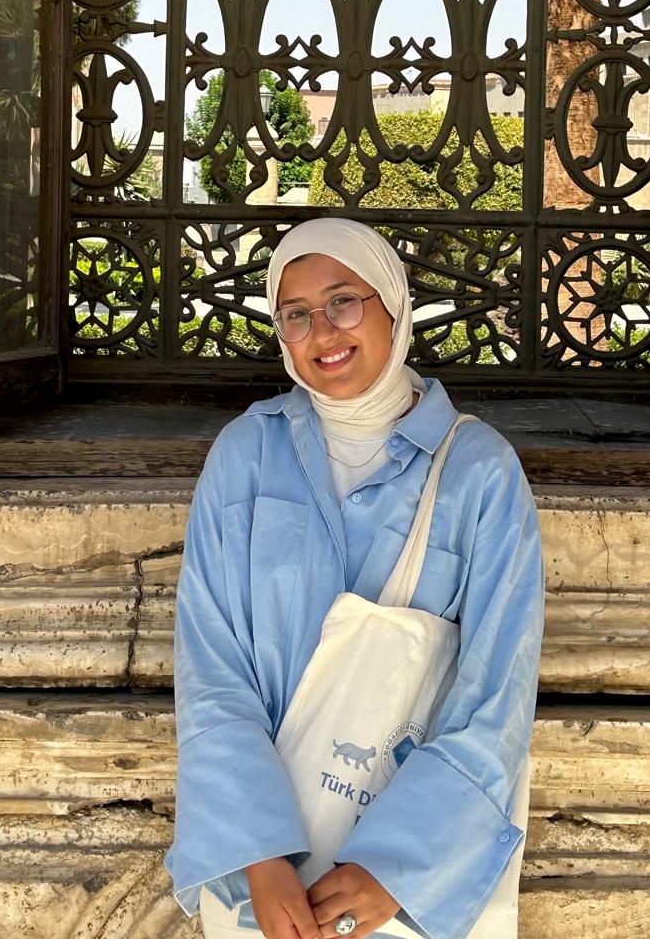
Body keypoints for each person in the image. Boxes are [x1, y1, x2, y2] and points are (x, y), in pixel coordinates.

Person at [164, 219, 545, 939]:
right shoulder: (247, 454)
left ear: (393, 306)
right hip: (266, 882)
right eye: (296, 314)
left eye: (345, 301)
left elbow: (497, 691)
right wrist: (259, 853)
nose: (322, 332)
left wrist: (395, 869)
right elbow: (211, 662)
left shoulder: (479, 473)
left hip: (407, 887)